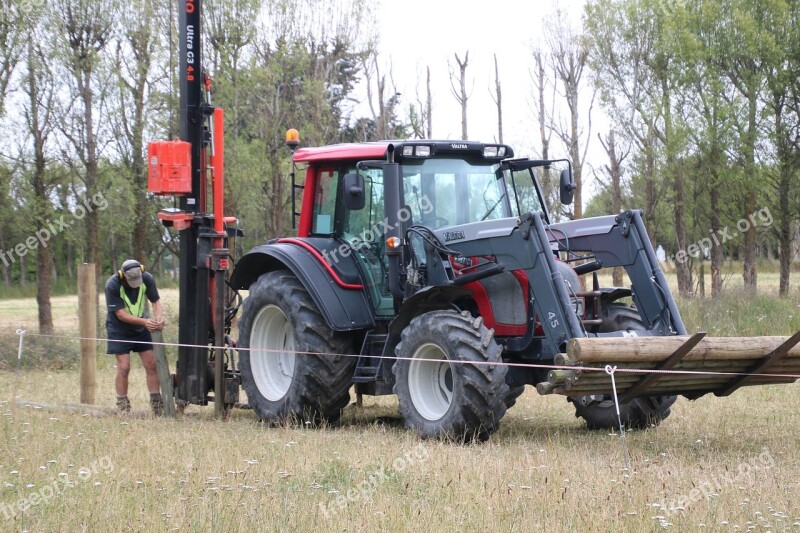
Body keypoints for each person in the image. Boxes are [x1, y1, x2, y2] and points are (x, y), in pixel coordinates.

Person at [104, 259, 165, 415]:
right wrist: (146, 321)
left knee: (151, 364)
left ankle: (156, 404)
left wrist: (158, 318)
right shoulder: (112, 285)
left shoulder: (147, 278)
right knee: (124, 367)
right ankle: (123, 405)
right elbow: (121, 314)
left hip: (141, 327)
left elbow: (156, 301)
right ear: (122, 275)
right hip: (119, 329)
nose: (135, 284)